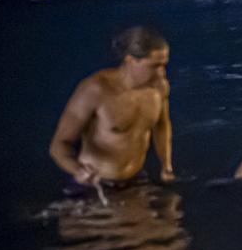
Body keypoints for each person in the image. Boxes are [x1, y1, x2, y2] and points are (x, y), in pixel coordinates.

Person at [50, 27, 175, 195]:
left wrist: (166, 166)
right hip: (94, 185)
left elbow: (161, 126)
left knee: (170, 220)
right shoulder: (95, 90)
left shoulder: (159, 87)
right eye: (154, 66)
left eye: (164, 65)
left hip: (136, 179)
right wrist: (78, 170)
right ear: (130, 60)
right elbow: (59, 145)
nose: (161, 73)